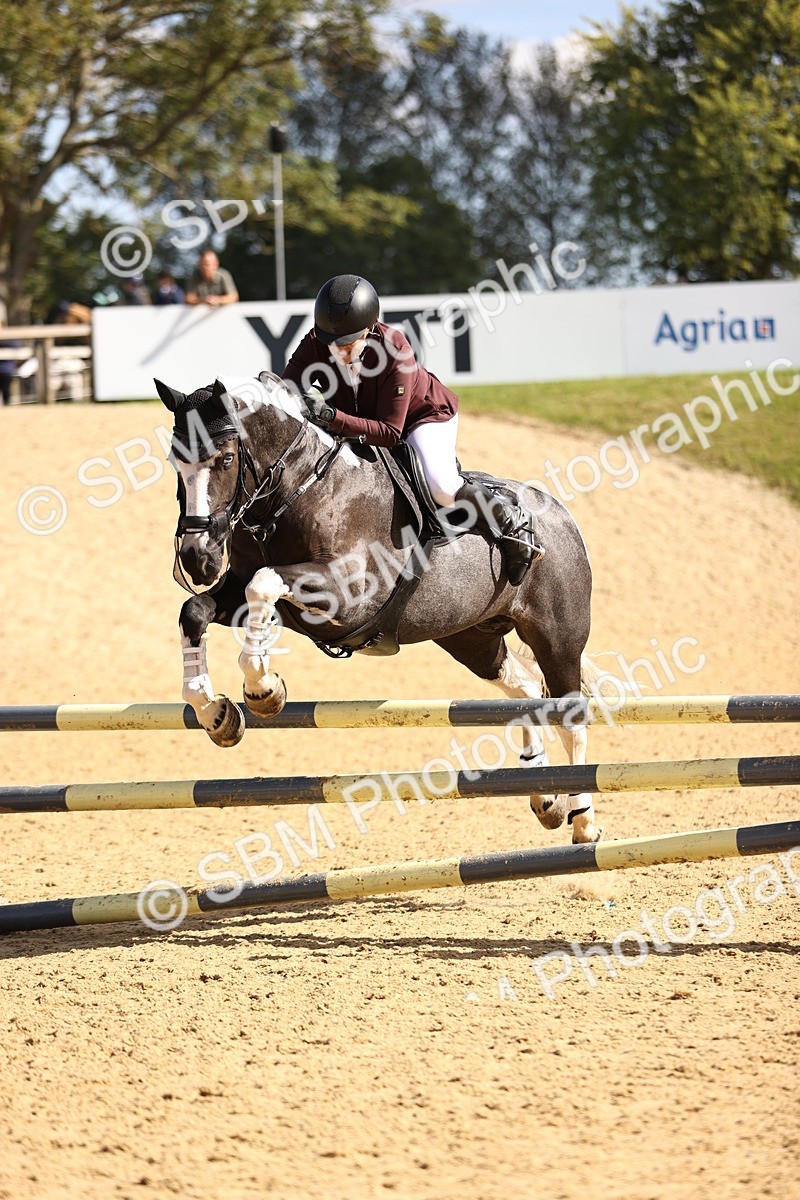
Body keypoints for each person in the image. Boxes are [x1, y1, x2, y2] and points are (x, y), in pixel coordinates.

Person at [281, 273, 537, 584]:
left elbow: (390, 432)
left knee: (441, 486)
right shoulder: (317, 343)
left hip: (422, 418)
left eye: (349, 343)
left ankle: (510, 520)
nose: (338, 352)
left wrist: (331, 417)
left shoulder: (395, 350)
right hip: (361, 421)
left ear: (371, 329)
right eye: (331, 342)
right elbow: (286, 388)